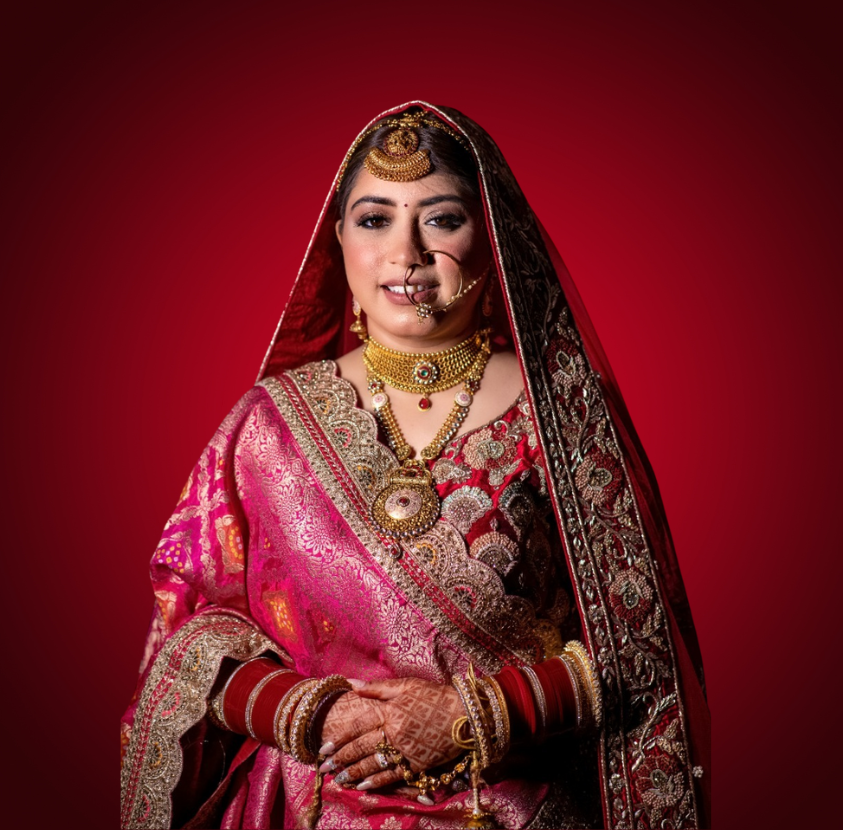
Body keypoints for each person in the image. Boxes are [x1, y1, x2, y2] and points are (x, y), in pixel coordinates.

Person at [120, 102, 710, 830]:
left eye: (441, 220)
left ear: (490, 236)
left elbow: (638, 651)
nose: (407, 252)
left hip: (508, 810)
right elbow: (190, 638)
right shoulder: (268, 425)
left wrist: (471, 715)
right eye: (375, 220)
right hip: (308, 808)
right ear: (339, 239)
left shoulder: (561, 413)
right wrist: (315, 713)